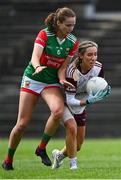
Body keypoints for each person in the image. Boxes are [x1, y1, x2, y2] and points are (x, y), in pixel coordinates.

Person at [2, 7, 78, 170]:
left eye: (73, 25)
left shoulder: (72, 41)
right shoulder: (45, 34)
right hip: (33, 78)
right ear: (58, 23)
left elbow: (62, 68)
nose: (71, 29)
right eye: (68, 25)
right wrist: (37, 67)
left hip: (51, 82)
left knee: (57, 112)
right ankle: (8, 160)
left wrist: (62, 79)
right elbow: (35, 57)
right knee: (22, 124)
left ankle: (41, 148)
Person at [51, 40, 111, 170]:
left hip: (81, 103)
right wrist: (88, 101)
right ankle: (73, 166)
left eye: (95, 54)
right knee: (71, 128)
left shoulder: (99, 68)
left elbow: (96, 88)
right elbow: (71, 99)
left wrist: (102, 91)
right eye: (90, 55)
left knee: (78, 145)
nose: (93, 58)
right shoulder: (72, 71)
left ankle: (59, 155)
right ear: (81, 55)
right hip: (65, 101)